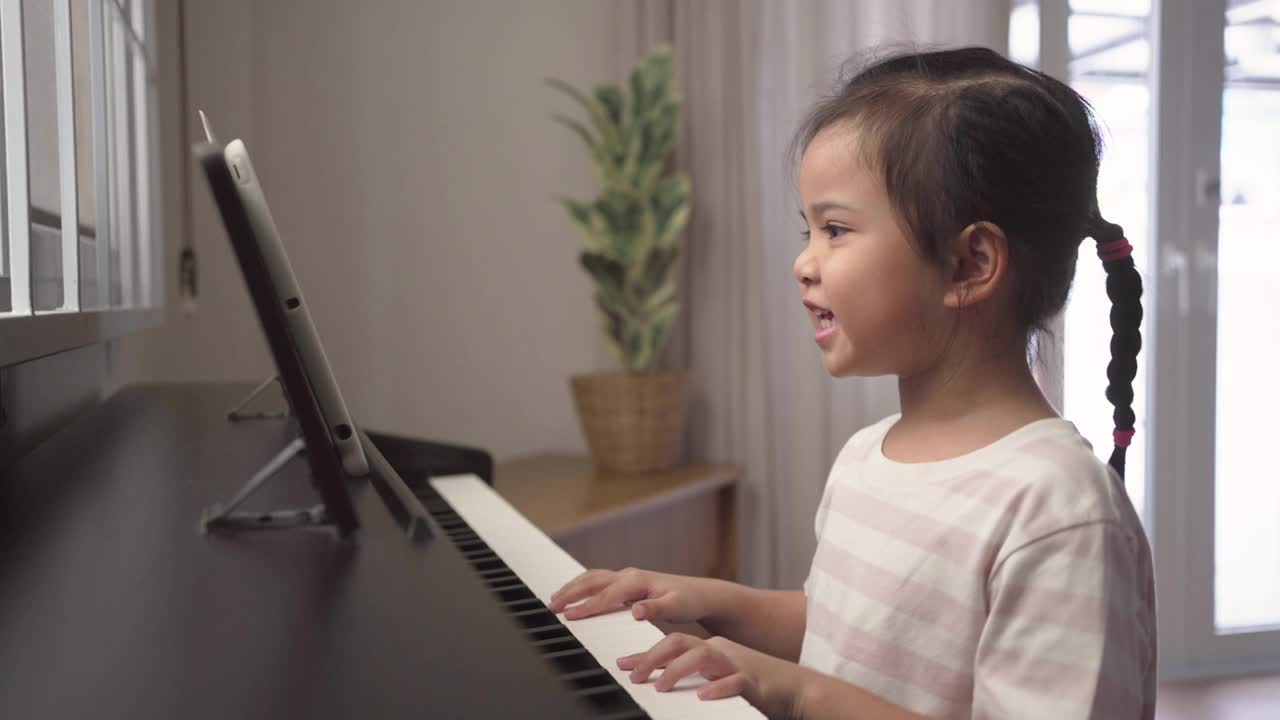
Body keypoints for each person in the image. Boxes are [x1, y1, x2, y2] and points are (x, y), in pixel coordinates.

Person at [548, 46, 1156, 720]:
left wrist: (792, 689)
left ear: (968, 264)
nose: (804, 263)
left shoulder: (1058, 510)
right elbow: (846, 634)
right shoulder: (868, 455)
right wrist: (710, 603)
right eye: (808, 230)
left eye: (836, 229)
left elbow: (825, 682)